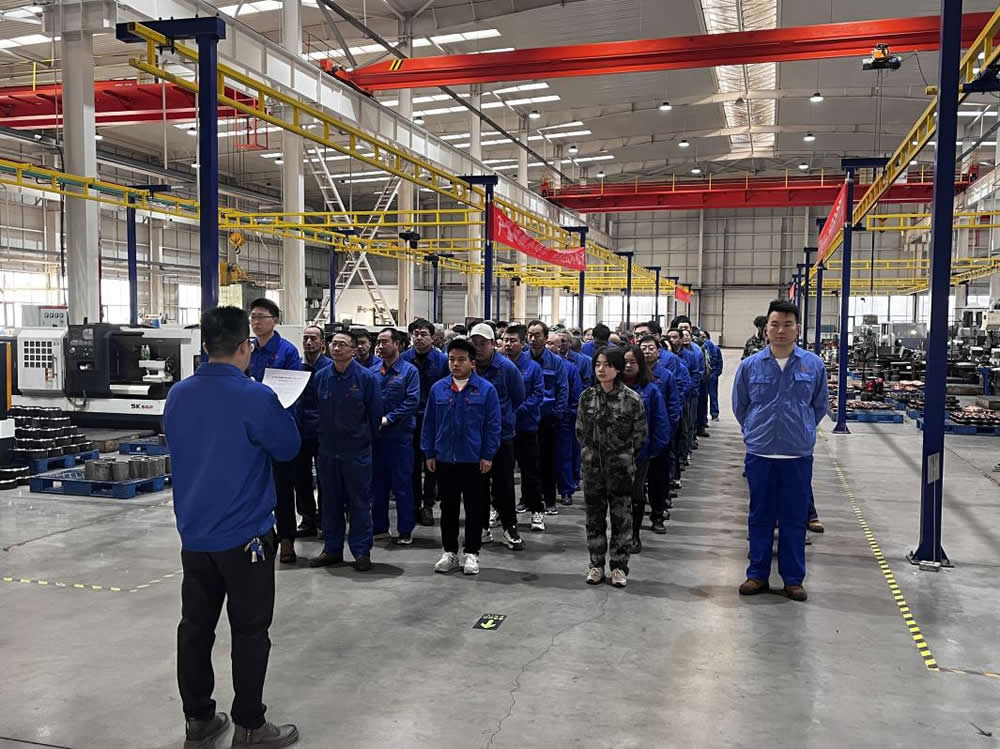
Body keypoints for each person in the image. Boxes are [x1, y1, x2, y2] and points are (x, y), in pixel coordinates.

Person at [164, 306, 301, 749]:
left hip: (195, 535)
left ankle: (199, 719)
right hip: (246, 538)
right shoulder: (255, 396)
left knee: (195, 628)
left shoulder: (178, 395)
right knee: (250, 631)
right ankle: (249, 725)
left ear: (205, 345)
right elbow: (288, 447)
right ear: (246, 346)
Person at [733, 300, 829, 602]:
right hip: (760, 453)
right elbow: (740, 405)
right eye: (775, 324)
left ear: (797, 329)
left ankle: (793, 579)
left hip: (796, 455)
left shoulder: (813, 365)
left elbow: (819, 405)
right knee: (759, 516)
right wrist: (755, 429)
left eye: (788, 325)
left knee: (794, 518)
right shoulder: (750, 365)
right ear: (766, 329)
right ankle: (757, 574)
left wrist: (802, 429)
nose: (781, 330)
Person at [422, 338, 502, 576]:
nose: (455, 364)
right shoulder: (439, 389)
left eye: (461, 360)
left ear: (472, 363)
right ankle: (449, 552)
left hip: (474, 460)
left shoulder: (486, 390)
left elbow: (493, 426)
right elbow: (429, 423)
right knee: (448, 508)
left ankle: (472, 553)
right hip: (445, 459)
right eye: (451, 359)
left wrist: (487, 455)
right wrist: (429, 452)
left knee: (475, 508)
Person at [309, 329, 383, 572]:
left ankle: (361, 551)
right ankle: (332, 549)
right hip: (328, 451)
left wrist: (363, 441)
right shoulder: (321, 377)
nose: (337, 348)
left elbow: (375, 415)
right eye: (334, 344)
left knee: (359, 502)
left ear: (353, 350)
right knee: (330, 502)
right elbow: (314, 410)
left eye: (342, 344)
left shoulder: (366, 378)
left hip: (356, 452)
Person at [576, 348, 647, 589]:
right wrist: (591, 455)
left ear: (617, 368)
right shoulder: (586, 398)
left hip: (620, 470)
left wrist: (622, 456)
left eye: (607, 365)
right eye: (598, 364)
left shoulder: (632, 400)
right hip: (593, 469)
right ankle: (596, 564)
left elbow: (639, 435)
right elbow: (580, 431)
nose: (601, 369)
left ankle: (618, 567)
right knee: (594, 518)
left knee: (621, 519)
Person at [248, 298, 303, 565]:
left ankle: (287, 539)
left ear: (275, 320)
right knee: (254, 485)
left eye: (261, 317)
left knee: (282, 487)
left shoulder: (287, 351)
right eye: (252, 317)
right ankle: (258, 536)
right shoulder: (248, 350)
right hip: (253, 429)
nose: (256, 322)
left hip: (279, 426)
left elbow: (293, 389)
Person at [470, 322, 526, 550]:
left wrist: (500, 417)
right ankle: (481, 527)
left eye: (483, 343)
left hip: (502, 435)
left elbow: (518, 397)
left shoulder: (506, 368)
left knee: (504, 484)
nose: (478, 348)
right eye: (474, 343)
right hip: (474, 437)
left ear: (494, 344)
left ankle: (509, 528)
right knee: (477, 485)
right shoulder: (467, 366)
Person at [370, 327, 420, 544]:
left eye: (385, 342)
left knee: (402, 484)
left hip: (400, 437)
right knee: (377, 484)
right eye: (378, 342)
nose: (380, 346)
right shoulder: (372, 372)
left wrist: (389, 418)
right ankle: (379, 527)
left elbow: (412, 401)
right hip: (376, 437)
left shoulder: (409, 372)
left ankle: (405, 530)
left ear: (397, 344)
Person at [402, 319, 449, 528]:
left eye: (423, 334)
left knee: (432, 465)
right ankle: (414, 505)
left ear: (433, 337)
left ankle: (428, 505)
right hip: (409, 420)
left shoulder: (442, 361)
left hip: (434, 421)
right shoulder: (403, 359)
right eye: (416, 334)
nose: (419, 338)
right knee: (411, 465)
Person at [622, 346, 669, 554]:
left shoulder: (650, 390)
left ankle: (634, 535)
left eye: (633, 362)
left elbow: (660, 421)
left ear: (640, 365)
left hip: (639, 453)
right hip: (612, 453)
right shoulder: (611, 388)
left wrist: (653, 450)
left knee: (636, 494)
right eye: (625, 362)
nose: (628, 366)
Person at [502, 324, 546, 532]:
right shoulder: (497, 365)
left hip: (526, 426)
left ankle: (536, 510)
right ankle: (499, 509)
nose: (508, 344)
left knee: (530, 472)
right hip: (502, 429)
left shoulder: (533, 367)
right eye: (506, 340)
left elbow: (538, 394)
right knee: (501, 473)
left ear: (522, 343)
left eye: (513, 341)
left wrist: (516, 411)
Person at [639, 335, 682, 530]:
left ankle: (657, 515)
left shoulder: (666, 376)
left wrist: (666, 433)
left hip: (659, 436)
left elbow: (674, 407)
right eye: (643, 348)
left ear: (658, 352)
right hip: (638, 437)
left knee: (658, 479)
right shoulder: (634, 375)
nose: (647, 351)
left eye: (651, 348)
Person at [527, 320, 569, 515]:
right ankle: (528, 499)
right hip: (527, 417)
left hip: (547, 417)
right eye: (530, 335)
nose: (533, 339)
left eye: (537, 335)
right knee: (528, 461)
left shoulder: (556, 361)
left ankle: (550, 500)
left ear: (545, 338)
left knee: (548, 461)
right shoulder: (522, 359)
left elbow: (562, 389)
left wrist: (557, 415)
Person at [293, 325, 332, 538]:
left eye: (313, 339)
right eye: (306, 338)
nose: (309, 342)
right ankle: (307, 518)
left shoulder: (329, 368)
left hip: (323, 431)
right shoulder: (296, 367)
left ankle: (325, 519)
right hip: (299, 430)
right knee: (301, 478)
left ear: (322, 343)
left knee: (325, 478)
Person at [549, 331, 584, 506]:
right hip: (543, 418)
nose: (549, 346)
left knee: (564, 456)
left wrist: (567, 414)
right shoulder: (537, 366)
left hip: (564, 419)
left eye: (552, 344)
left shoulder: (570, 368)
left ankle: (566, 490)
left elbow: (576, 396)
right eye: (547, 343)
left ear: (560, 348)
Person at [560, 331, 592, 496]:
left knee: (572, 448)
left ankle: (573, 479)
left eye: (564, 341)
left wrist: (575, 409)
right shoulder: (549, 362)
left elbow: (586, 385)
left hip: (572, 410)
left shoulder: (582, 361)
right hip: (556, 413)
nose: (561, 345)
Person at [702, 330, 723, 422]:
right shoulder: (700, 348)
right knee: (705, 397)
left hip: (712, 375)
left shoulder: (715, 349)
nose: (703, 339)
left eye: (704, 337)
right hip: (705, 376)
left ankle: (714, 414)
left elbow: (719, 362)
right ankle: (706, 416)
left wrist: (715, 374)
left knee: (712, 395)